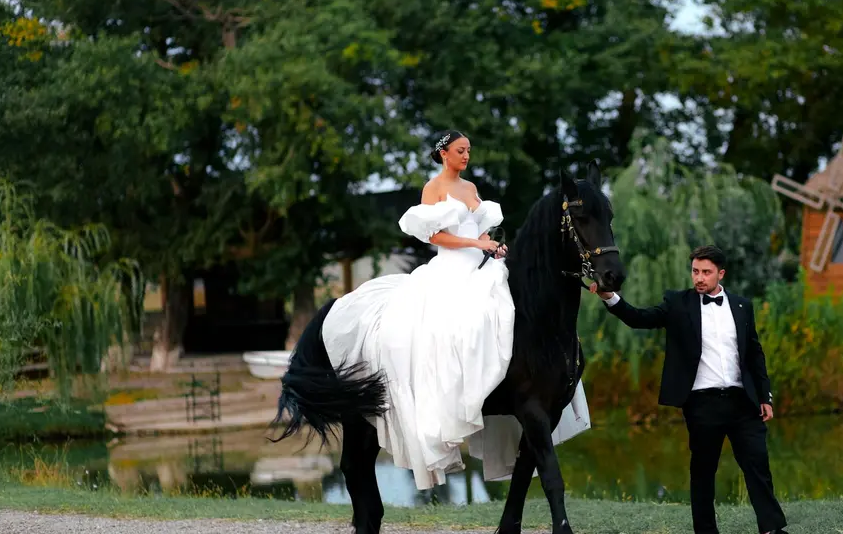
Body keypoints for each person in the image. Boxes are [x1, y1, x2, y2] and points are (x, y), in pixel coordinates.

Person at [319, 130, 592, 490]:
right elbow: (436, 237)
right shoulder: (433, 189)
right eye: (461, 151)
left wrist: (490, 246)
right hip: (450, 266)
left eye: (468, 151)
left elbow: (478, 227)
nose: (466, 156)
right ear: (444, 153)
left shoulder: (470, 187)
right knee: (453, 322)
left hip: (481, 262)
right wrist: (473, 242)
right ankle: (455, 394)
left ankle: (512, 381)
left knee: (509, 310)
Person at [591, 245, 788, 534]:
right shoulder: (678, 303)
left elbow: (754, 354)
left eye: (706, 272)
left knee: (758, 466)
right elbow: (639, 318)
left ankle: (771, 529)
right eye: (695, 271)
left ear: (721, 273)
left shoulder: (742, 305)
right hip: (702, 404)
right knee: (703, 473)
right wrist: (608, 295)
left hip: (743, 402)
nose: (699, 277)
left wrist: (764, 396)